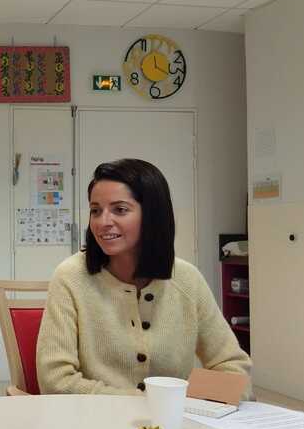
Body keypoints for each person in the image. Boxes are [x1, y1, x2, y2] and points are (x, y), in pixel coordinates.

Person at [36, 158, 252, 396]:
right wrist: (148, 402)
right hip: (95, 424)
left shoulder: (187, 279)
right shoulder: (70, 277)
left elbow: (233, 367)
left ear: (152, 216)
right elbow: (55, 380)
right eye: (95, 210)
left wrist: (188, 402)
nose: (102, 222)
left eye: (119, 209)